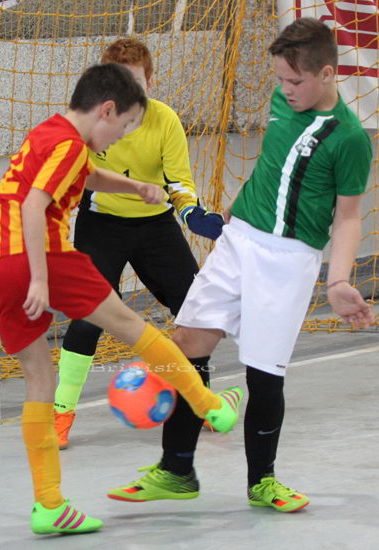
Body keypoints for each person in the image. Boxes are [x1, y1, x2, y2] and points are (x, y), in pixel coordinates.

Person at [107, 18, 375, 512]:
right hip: (238, 241)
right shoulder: (282, 102)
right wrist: (233, 214)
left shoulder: (350, 138)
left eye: (295, 81)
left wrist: (338, 279)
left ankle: (262, 482)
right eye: (280, 79)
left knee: (263, 372)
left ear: (328, 73)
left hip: (288, 259)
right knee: (186, 342)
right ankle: (177, 470)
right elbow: (272, 163)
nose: (286, 89)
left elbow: (349, 216)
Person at [0, 63, 241, 535]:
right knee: (133, 327)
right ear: (107, 110)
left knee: (40, 378)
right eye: (124, 126)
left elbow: (86, 177)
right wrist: (40, 279)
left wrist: (135, 186)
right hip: (42, 255)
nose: (123, 136)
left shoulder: (51, 133)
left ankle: (49, 506)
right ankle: (206, 403)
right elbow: (35, 205)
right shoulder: (69, 145)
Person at [53, 38, 226, 450]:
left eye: (136, 82)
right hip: (101, 226)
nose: (128, 92)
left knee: (194, 310)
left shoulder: (165, 120)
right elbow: (75, 175)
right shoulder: (94, 122)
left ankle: (199, 402)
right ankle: (60, 412)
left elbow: (178, 181)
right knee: (88, 318)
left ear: (151, 81)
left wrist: (192, 213)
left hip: (155, 227)